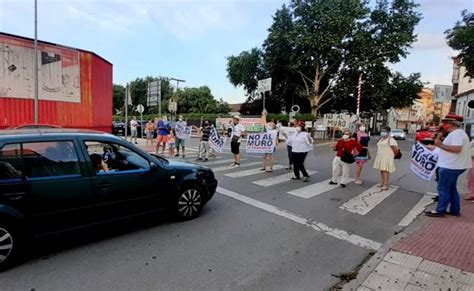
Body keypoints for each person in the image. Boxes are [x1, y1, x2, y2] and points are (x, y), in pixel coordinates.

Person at [425, 117, 472, 217]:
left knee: (443, 188)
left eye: (445, 123)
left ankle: (440, 210)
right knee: (451, 188)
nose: (443, 125)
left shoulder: (457, 134)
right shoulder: (457, 133)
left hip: (450, 166)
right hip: (453, 165)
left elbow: (456, 148)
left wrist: (440, 145)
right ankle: (455, 209)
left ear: (450, 124)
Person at [373, 126, 400, 191]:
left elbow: (395, 149)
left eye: (384, 131)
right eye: (382, 131)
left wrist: (393, 156)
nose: (383, 132)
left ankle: (386, 184)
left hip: (387, 157)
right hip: (380, 156)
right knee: (382, 170)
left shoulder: (391, 140)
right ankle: (382, 182)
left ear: (388, 132)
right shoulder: (381, 139)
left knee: (385, 170)